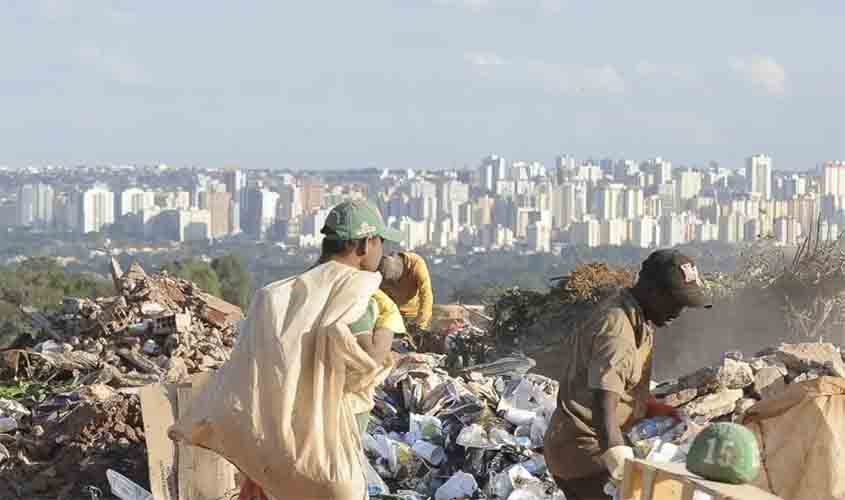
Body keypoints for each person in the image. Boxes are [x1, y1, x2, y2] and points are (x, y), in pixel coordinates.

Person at [236, 199, 403, 500]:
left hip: (277, 445)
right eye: (382, 242)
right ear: (366, 244)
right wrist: (388, 321)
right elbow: (370, 360)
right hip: (328, 451)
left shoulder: (280, 295)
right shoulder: (353, 293)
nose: (383, 251)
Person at [543, 250, 712, 500]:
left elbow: (619, 385)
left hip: (581, 446)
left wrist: (652, 407)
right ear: (654, 292)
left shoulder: (637, 318)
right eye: (676, 302)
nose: (679, 312)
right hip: (585, 454)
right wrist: (617, 457)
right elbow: (604, 401)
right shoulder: (618, 329)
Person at [378, 251, 434, 333]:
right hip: (393, 315)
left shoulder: (416, 263)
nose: (394, 285)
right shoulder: (381, 270)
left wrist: (421, 324)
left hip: (414, 315)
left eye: (394, 282)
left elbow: (426, 295)